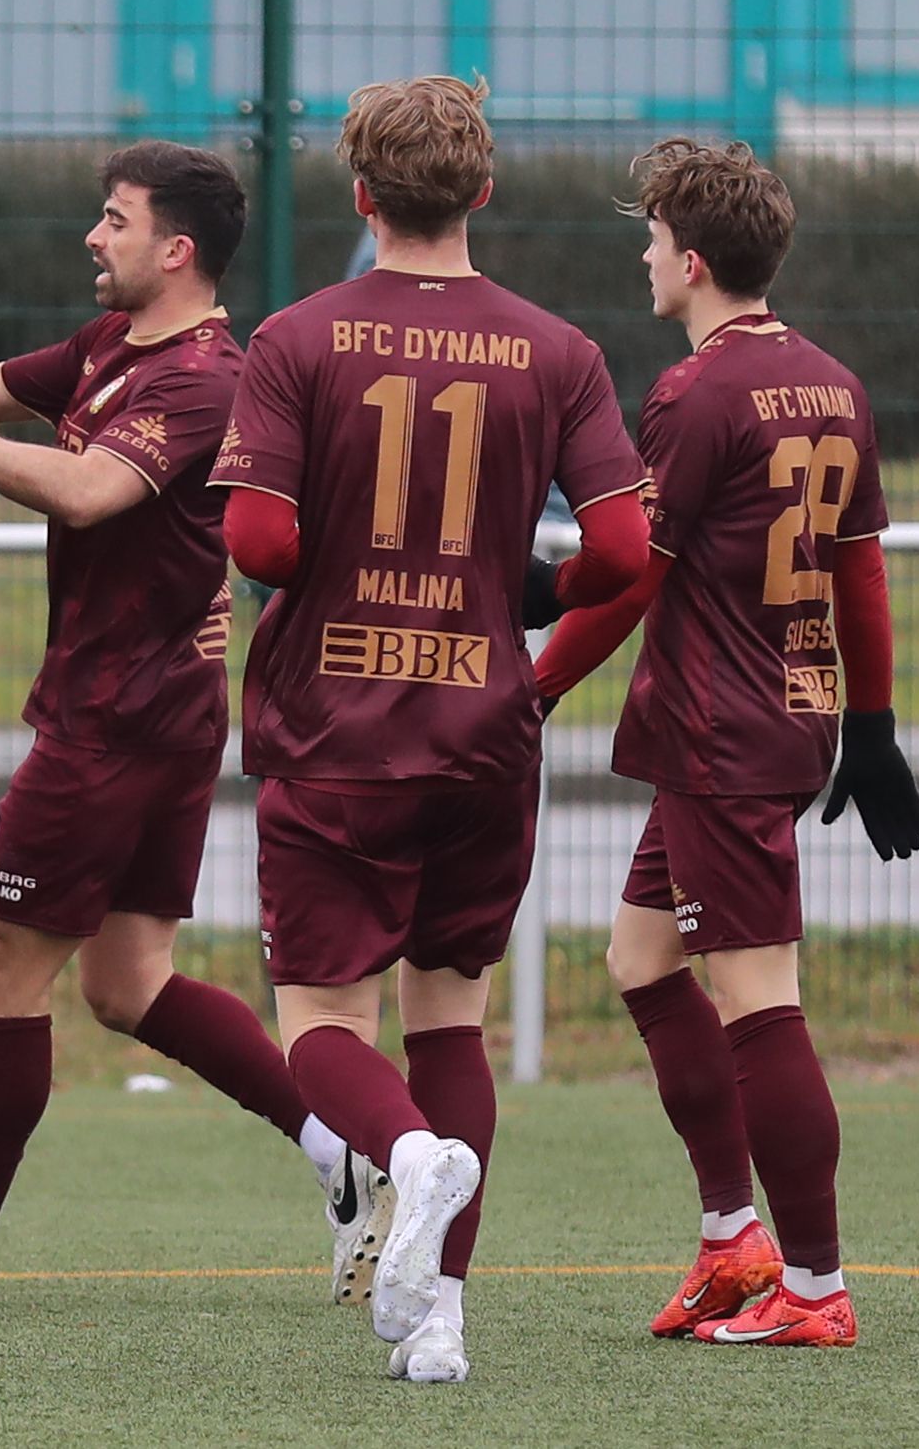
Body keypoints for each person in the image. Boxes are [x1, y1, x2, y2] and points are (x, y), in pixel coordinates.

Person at [0, 141, 377, 1307]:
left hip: (112, 726)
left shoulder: (204, 380)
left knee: (0, 977)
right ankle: (341, 1151)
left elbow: (83, 489)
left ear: (174, 250)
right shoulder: (118, 344)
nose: (90, 237)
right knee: (127, 981)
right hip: (153, 718)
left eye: (112, 220)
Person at [214, 76, 651, 1383]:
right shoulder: (557, 349)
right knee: (448, 1018)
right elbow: (623, 549)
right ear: (481, 191)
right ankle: (440, 1321)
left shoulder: (294, 338)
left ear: (356, 197)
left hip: (334, 722)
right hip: (480, 722)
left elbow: (256, 541)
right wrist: (524, 589)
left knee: (318, 1022)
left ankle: (403, 1162)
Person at [534, 138, 919, 1348]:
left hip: (723, 729)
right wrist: (868, 727)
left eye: (651, 238)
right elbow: (858, 574)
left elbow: (632, 580)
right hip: (781, 714)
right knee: (642, 960)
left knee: (760, 1000)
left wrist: (532, 687)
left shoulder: (694, 393)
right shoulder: (835, 384)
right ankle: (731, 1243)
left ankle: (813, 1289)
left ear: (692, 259)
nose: (643, 256)